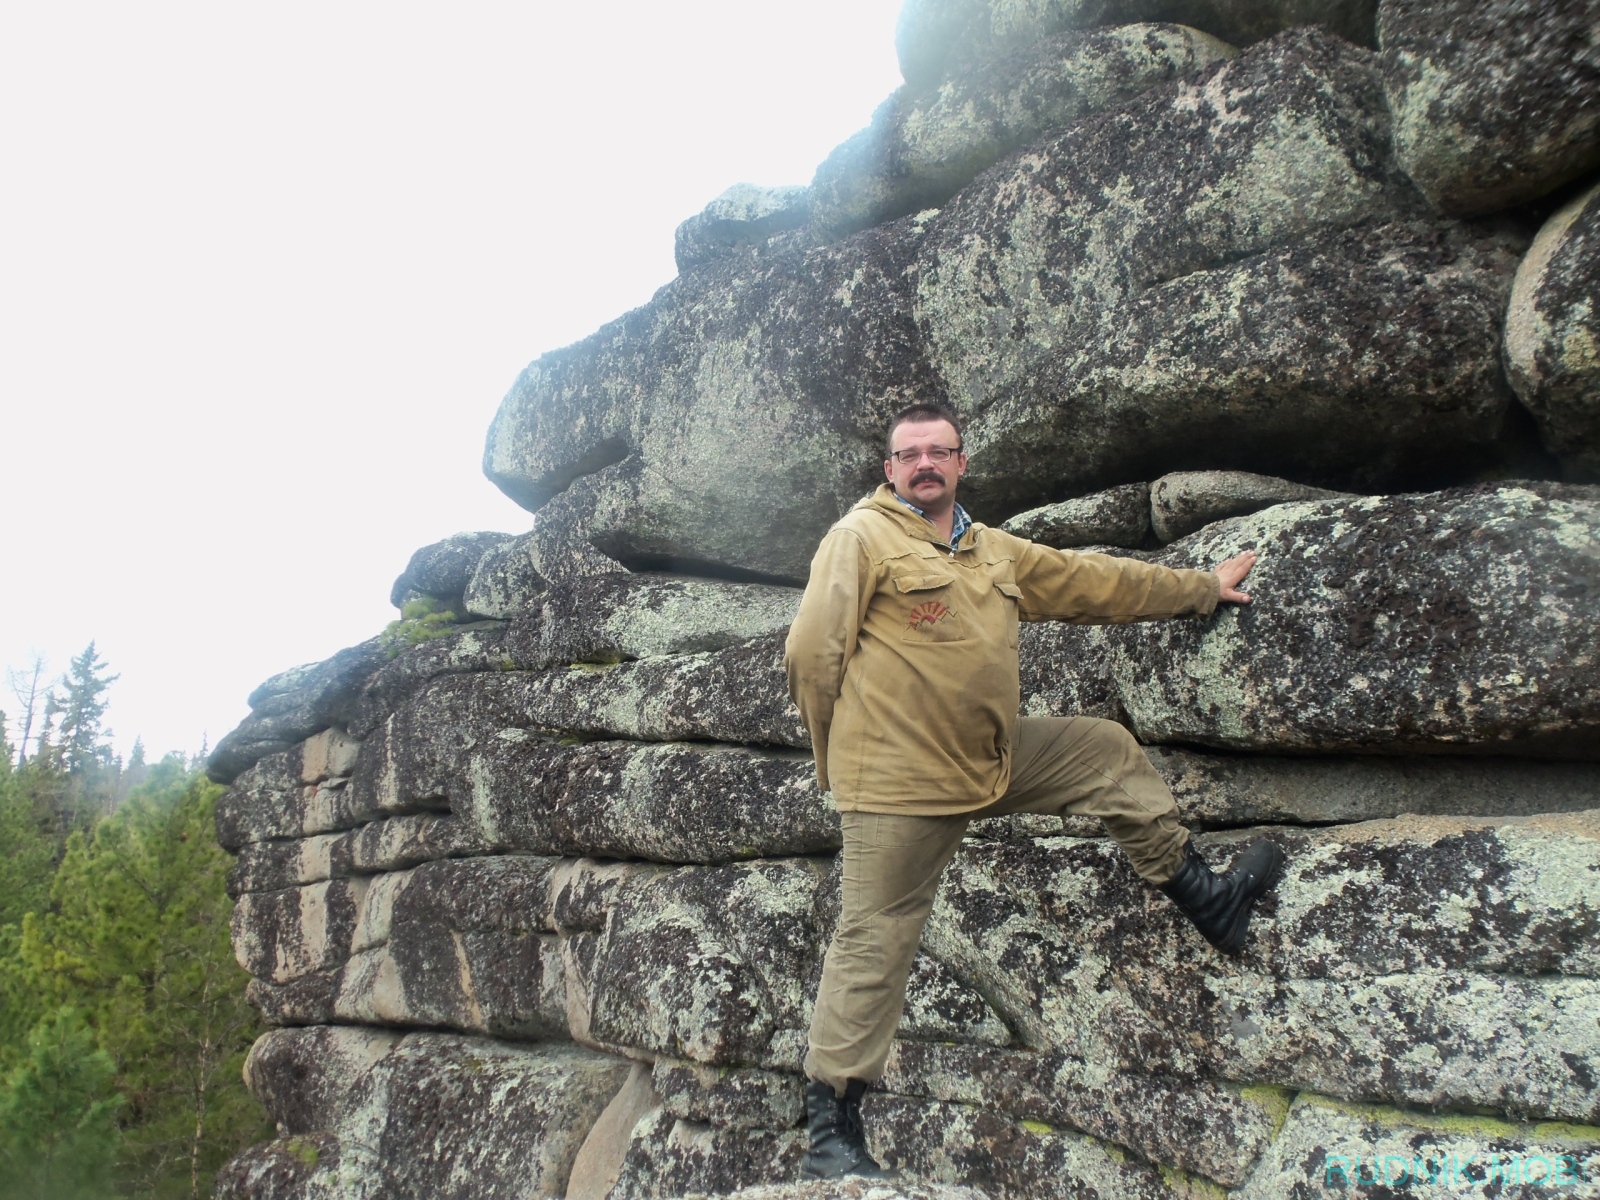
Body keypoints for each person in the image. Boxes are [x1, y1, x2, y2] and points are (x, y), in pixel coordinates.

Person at [783, 401, 1284, 1181]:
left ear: (961, 462)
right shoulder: (861, 538)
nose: (924, 464)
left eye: (938, 451)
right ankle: (831, 1134)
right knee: (874, 943)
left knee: (1103, 752)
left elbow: (1089, 582)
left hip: (988, 761)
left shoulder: (989, 549)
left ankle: (1206, 898)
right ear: (890, 469)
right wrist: (839, 760)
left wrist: (1198, 589)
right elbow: (812, 656)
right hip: (899, 785)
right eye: (909, 454)